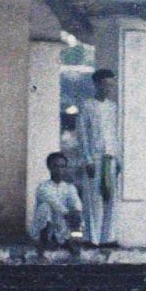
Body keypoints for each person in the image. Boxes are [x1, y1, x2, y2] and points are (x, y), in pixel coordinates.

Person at [76, 67, 120, 245]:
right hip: (94, 157)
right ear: (96, 84)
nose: (108, 89)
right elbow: (83, 134)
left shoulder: (113, 107)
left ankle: (107, 238)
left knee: (110, 197)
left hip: (111, 156)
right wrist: (87, 159)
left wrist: (118, 159)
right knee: (94, 198)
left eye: (111, 85)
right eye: (104, 85)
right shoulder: (87, 106)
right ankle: (92, 239)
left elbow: (115, 134)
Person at [30, 152, 85, 255]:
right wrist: (68, 213)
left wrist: (75, 212)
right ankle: (43, 242)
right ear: (49, 167)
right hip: (47, 226)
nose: (59, 170)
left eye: (62, 166)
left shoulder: (69, 187)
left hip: (62, 224)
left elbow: (76, 203)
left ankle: (73, 242)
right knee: (45, 207)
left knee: (77, 212)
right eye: (55, 166)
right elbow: (53, 202)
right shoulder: (43, 187)